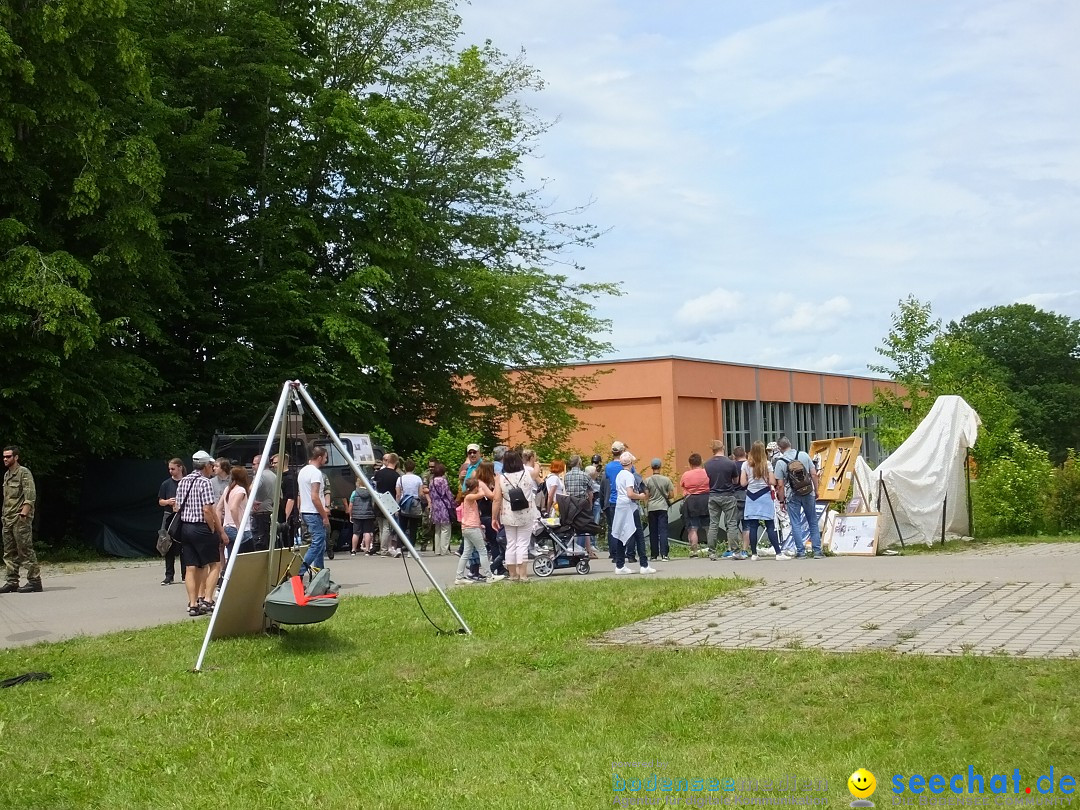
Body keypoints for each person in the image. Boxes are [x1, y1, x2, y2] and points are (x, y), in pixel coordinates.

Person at [175, 451, 228, 616]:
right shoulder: (205, 482)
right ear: (206, 465)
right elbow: (207, 509)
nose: (212, 468)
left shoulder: (183, 481)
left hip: (186, 528)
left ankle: (192, 604)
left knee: (191, 567)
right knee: (215, 564)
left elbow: (177, 506)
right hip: (201, 528)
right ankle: (208, 599)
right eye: (211, 465)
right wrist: (213, 528)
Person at [491, 450, 538, 583]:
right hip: (526, 513)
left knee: (511, 544)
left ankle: (513, 575)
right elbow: (536, 473)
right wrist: (535, 461)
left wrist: (494, 518)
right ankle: (523, 575)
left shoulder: (501, 478)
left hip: (508, 514)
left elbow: (496, 499)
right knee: (523, 544)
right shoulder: (527, 473)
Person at [773, 437, 823, 559]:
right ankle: (817, 551)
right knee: (812, 522)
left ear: (779, 448)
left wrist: (781, 500)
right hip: (808, 493)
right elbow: (814, 474)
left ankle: (801, 552)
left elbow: (780, 485)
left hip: (792, 495)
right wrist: (816, 491)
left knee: (795, 523)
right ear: (790, 444)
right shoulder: (804, 455)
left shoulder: (780, 462)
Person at [740, 441, 789, 561]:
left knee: (753, 526)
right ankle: (778, 553)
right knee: (770, 525)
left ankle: (754, 554)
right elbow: (772, 482)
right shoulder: (766, 464)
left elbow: (742, 483)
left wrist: (751, 481)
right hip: (764, 496)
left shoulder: (745, 465)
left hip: (751, 497)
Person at [1, 445, 40, 593]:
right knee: (9, 552)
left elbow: (30, 495)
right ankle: (12, 581)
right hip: (7, 518)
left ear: (16, 457)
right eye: (4, 456)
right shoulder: (7, 475)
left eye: (8, 456)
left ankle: (35, 581)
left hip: (20, 518)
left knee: (24, 549)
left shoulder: (23, 472)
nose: (5, 459)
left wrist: (24, 514)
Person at [453, 478, 505, 585]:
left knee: (466, 553)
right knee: (482, 551)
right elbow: (481, 495)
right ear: (475, 487)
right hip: (471, 528)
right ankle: (489, 575)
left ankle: (459, 577)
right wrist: (483, 488)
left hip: (468, 528)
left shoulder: (469, 497)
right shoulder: (469, 497)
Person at [611, 452, 655, 574]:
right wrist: (641, 496)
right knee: (638, 535)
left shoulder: (619, 475)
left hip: (620, 506)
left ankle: (620, 565)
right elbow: (630, 493)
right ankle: (644, 565)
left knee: (621, 534)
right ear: (631, 463)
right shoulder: (629, 475)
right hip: (629, 507)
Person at [704, 439, 744, 561]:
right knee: (731, 523)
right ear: (723, 447)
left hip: (713, 495)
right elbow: (736, 481)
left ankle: (712, 552)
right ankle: (736, 551)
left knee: (713, 524)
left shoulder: (707, 464)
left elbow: (708, 479)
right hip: (728, 495)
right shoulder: (730, 463)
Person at [297, 446, 330, 577]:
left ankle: (320, 573)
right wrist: (324, 515)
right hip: (314, 512)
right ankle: (299, 571)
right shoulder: (316, 473)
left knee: (321, 545)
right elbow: (315, 496)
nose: (326, 460)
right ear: (320, 457)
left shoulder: (303, 471)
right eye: (325, 458)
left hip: (305, 510)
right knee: (318, 542)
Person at [475, 461, 506, 576]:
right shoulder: (480, 483)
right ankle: (496, 567)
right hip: (485, 516)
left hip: (488, 514)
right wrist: (497, 484)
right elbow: (493, 496)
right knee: (494, 542)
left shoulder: (487, 483)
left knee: (495, 542)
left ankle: (499, 566)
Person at [563, 455, 598, 558]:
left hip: (570, 504)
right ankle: (585, 549)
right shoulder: (584, 475)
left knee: (572, 527)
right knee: (585, 527)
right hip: (582, 503)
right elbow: (591, 492)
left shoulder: (566, 476)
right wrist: (590, 504)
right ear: (579, 463)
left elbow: (566, 489)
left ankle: (575, 548)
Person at [159, 458, 186, 585]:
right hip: (169, 515)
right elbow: (160, 501)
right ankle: (169, 575)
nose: (171, 471)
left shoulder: (187, 482)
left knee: (184, 546)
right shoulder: (166, 484)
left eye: (173, 468)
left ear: (180, 467)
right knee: (167, 544)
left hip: (183, 516)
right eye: (169, 469)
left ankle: (185, 575)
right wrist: (168, 502)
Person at [679, 453, 710, 557]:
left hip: (691, 501)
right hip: (706, 499)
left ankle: (694, 551)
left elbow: (683, 486)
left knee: (692, 528)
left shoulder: (686, 475)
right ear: (701, 461)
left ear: (690, 463)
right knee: (708, 527)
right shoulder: (707, 473)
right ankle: (711, 549)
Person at [220, 466, 254, 555]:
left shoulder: (227, 489)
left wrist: (221, 528)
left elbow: (218, 508)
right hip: (240, 529)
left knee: (232, 556)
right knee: (247, 558)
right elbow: (233, 508)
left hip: (227, 527)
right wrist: (238, 526)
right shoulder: (241, 490)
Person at [645, 458, 674, 561]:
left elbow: (646, 496)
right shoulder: (666, 480)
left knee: (653, 531)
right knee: (663, 531)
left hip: (651, 508)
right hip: (662, 507)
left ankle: (653, 555)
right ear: (660, 467)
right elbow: (671, 495)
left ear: (652, 467)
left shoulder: (647, 480)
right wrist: (665, 495)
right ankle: (664, 554)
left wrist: (646, 507)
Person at [426, 462, 454, 556]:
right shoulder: (443, 480)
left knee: (437, 529)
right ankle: (444, 550)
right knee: (445, 528)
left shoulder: (432, 481)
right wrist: (453, 503)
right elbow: (447, 493)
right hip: (443, 506)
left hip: (435, 506)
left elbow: (430, 493)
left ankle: (437, 550)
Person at [249, 454, 276, 552]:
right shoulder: (274, 475)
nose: (252, 466)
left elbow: (251, 489)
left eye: (254, 464)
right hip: (270, 512)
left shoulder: (260, 475)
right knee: (267, 542)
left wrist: (252, 501)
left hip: (260, 513)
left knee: (259, 544)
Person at [396, 459, 424, 549]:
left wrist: (397, 506)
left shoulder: (400, 479)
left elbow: (398, 494)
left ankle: (399, 547)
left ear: (404, 468)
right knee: (413, 528)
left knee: (402, 527)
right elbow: (420, 494)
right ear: (414, 468)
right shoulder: (418, 479)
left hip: (403, 503)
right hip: (415, 503)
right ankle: (411, 548)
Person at [348, 477, 375, 555]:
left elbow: (351, 505)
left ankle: (353, 550)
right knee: (367, 532)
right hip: (368, 515)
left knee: (356, 533)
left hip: (356, 515)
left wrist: (350, 515)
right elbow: (373, 504)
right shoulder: (370, 493)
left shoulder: (354, 492)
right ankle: (367, 550)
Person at [732, 445, 750, 554]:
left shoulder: (731, 465)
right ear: (745, 453)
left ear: (734, 456)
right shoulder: (750, 465)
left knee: (733, 524)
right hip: (748, 495)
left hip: (734, 495)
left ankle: (733, 549)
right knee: (746, 524)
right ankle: (745, 549)